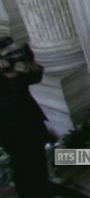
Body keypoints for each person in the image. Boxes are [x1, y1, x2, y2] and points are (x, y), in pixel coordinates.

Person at [0, 37, 52, 197]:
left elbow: (33, 78)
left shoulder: (5, 72)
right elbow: (14, 105)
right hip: (15, 134)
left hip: (32, 126)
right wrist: (13, 77)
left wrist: (30, 63)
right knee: (26, 173)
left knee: (39, 166)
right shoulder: (7, 75)